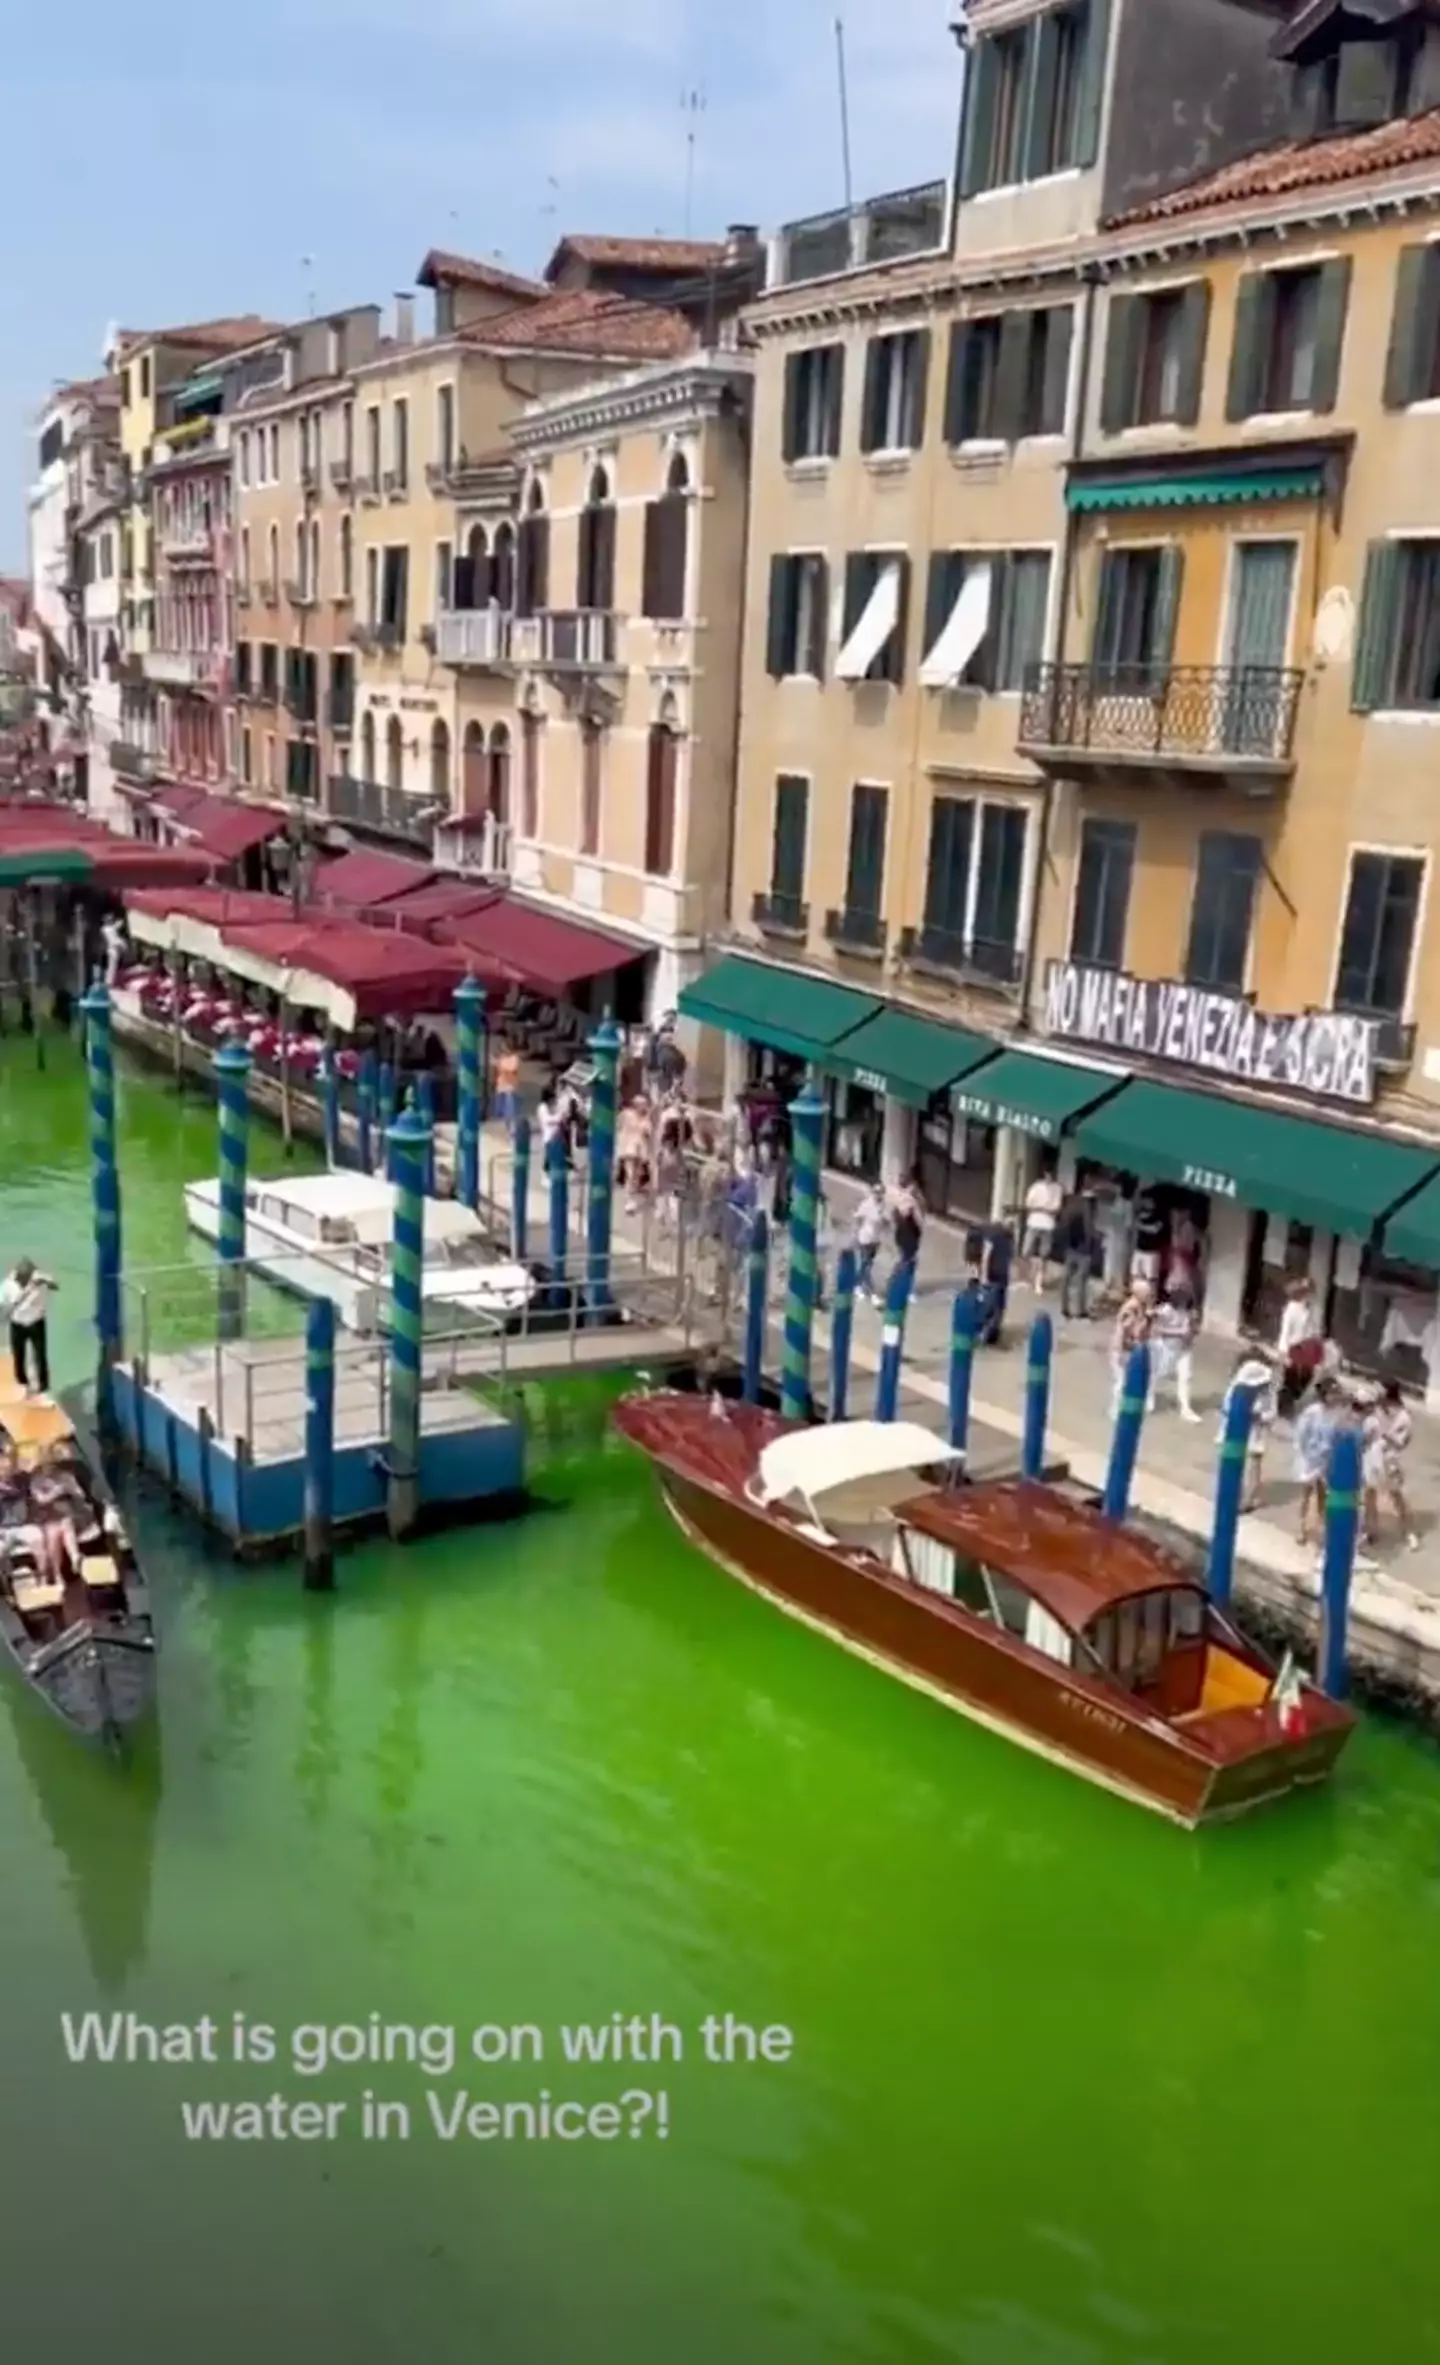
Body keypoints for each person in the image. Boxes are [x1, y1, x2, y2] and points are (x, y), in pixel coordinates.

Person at [1362, 1377, 1419, 1553]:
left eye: (1378, 1388)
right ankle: (1372, 1530)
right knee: (1369, 1494)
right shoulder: (1374, 1410)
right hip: (1373, 1456)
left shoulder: (1403, 1417)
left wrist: (1386, 1435)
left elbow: (1402, 1442)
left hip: (1390, 1459)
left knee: (1397, 1497)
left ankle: (1410, 1533)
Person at [1217, 1351, 1278, 1514]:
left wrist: (1260, 1416)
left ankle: (1248, 1499)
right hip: (1234, 1433)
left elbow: (1272, 1412)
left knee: (1254, 1464)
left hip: (1256, 1432)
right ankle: (1229, 1495)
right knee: (1231, 1463)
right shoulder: (1236, 1387)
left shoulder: (1268, 1392)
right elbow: (1227, 1407)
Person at [1, 1259, 59, 1402]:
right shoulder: (8, 1285)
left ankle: (44, 1388)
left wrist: (44, 1281)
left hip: (36, 1323)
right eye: (21, 1279)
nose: (23, 1281)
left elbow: (55, 1286)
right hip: (17, 1324)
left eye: (26, 1278)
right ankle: (22, 1384)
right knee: (18, 1356)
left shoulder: (39, 1279)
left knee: (40, 1356)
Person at [1292, 1375, 1340, 1548]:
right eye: (1331, 1394)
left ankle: (1322, 1529)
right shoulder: (1313, 1411)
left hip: (1325, 1460)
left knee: (1323, 1496)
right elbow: (1301, 1434)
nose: (1334, 1397)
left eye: (1336, 1394)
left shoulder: (1335, 1414)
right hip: (1309, 1458)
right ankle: (1301, 1528)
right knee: (1305, 1494)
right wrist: (1304, 1454)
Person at [1150, 1283, 1201, 1421]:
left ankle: (1185, 1408)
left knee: (1186, 1377)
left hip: (1184, 1350)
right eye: (1182, 1302)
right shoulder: (1167, 1310)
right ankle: (1149, 1398)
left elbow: (1193, 1331)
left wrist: (1193, 1329)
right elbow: (1156, 1329)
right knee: (1158, 1374)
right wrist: (1177, 1332)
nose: (1183, 1305)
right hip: (1167, 1348)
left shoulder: (1190, 1313)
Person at [1276, 1277, 1323, 1419]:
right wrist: (1283, 1352)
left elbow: (1311, 1329)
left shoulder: (1309, 1309)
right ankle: (1284, 1407)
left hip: (1306, 1348)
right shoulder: (1291, 1309)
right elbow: (1285, 1331)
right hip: (1294, 1348)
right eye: (1308, 1292)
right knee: (1291, 1378)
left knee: (1307, 1376)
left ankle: (1292, 1398)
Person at [1109, 1278, 1154, 1415]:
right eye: (1147, 1293)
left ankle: (1123, 1406)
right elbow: (1125, 1331)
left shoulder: (1141, 1307)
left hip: (1131, 1349)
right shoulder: (1131, 1308)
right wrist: (1122, 1351)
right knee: (1121, 1381)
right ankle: (1115, 1408)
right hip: (1123, 1349)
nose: (1149, 1296)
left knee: (1127, 1380)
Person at [1054, 1188, 1096, 1321]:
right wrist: (1091, 1246)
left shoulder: (1070, 1207)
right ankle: (1080, 1310)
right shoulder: (1087, 1209)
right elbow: (1089, 1230)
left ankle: (1064, 1308)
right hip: (1083, 1250)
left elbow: (1061, 1225)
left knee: (1066, 1279)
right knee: (1081, 1281)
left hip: (1070, 1248)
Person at [1021, 1166, 1062, 1293]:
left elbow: (1056, 1208)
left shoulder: (1057, 1189)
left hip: (1048, 1225)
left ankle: (1039, 1282)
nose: (1049, 1177)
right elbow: (1028, 1204)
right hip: (1034, 1223)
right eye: (1047, 1174)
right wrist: (1044, 1208)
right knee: (1026, 1251)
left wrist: (1040, 1207)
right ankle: (1027, 1278)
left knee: (1044, 1255)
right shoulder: (1036, 1187)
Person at [977, 1219, 1013, 1347]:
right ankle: (983, 1333)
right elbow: (986, 1256)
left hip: (1003, 1276)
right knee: (989, 1306)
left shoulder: (1010, 1237)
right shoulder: (994, 1234)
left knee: (1000, 1307)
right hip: (993, 1275)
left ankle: (993, 1334)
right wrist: (984, 1276)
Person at [853, 1181, 886, 1304]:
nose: (879, 1194)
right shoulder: (867, 1204)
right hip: (865, 1239)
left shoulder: (883, 1205)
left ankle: (857, 1285)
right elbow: (858, 1217)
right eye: (876, 1192)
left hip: (876, 1240)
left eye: (881, 1192)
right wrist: (856, 1234)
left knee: (866, 1264)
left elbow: (884, 1222)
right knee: (866, 1265)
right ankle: (873, 1294)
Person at [891, 1176, 925, 1293]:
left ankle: (901, 1283)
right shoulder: (908, 1201)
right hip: (907, 1236)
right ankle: (902, 1284)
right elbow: (915, 1217)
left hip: (910, 1235)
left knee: (907, 1259)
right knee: (907, 1261)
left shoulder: (915, 1200)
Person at [1131, 1188, 1166, 1288]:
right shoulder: (1141, 1214)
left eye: (1146, 1200)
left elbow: (1155, 1229)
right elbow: (1134, 1225)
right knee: (1136, 1276)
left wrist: (1140, 1226)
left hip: (1152, 1252)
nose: (1144, 1202)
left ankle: (1150, 1299)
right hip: (1139, 1249)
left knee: (1151, 1279)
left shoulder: (1160, 1215)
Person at [493, 1041, 521, 1127]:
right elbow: (498, 1070)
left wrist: (501, 1067)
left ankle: (510, 1122)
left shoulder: (514, 1058)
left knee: (510, 1105)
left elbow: (512, 1069)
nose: (503, 1051)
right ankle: (502, 1120)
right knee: (500, 1104)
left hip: (510, 1084)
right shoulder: (502, 1058)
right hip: (501, 1083)